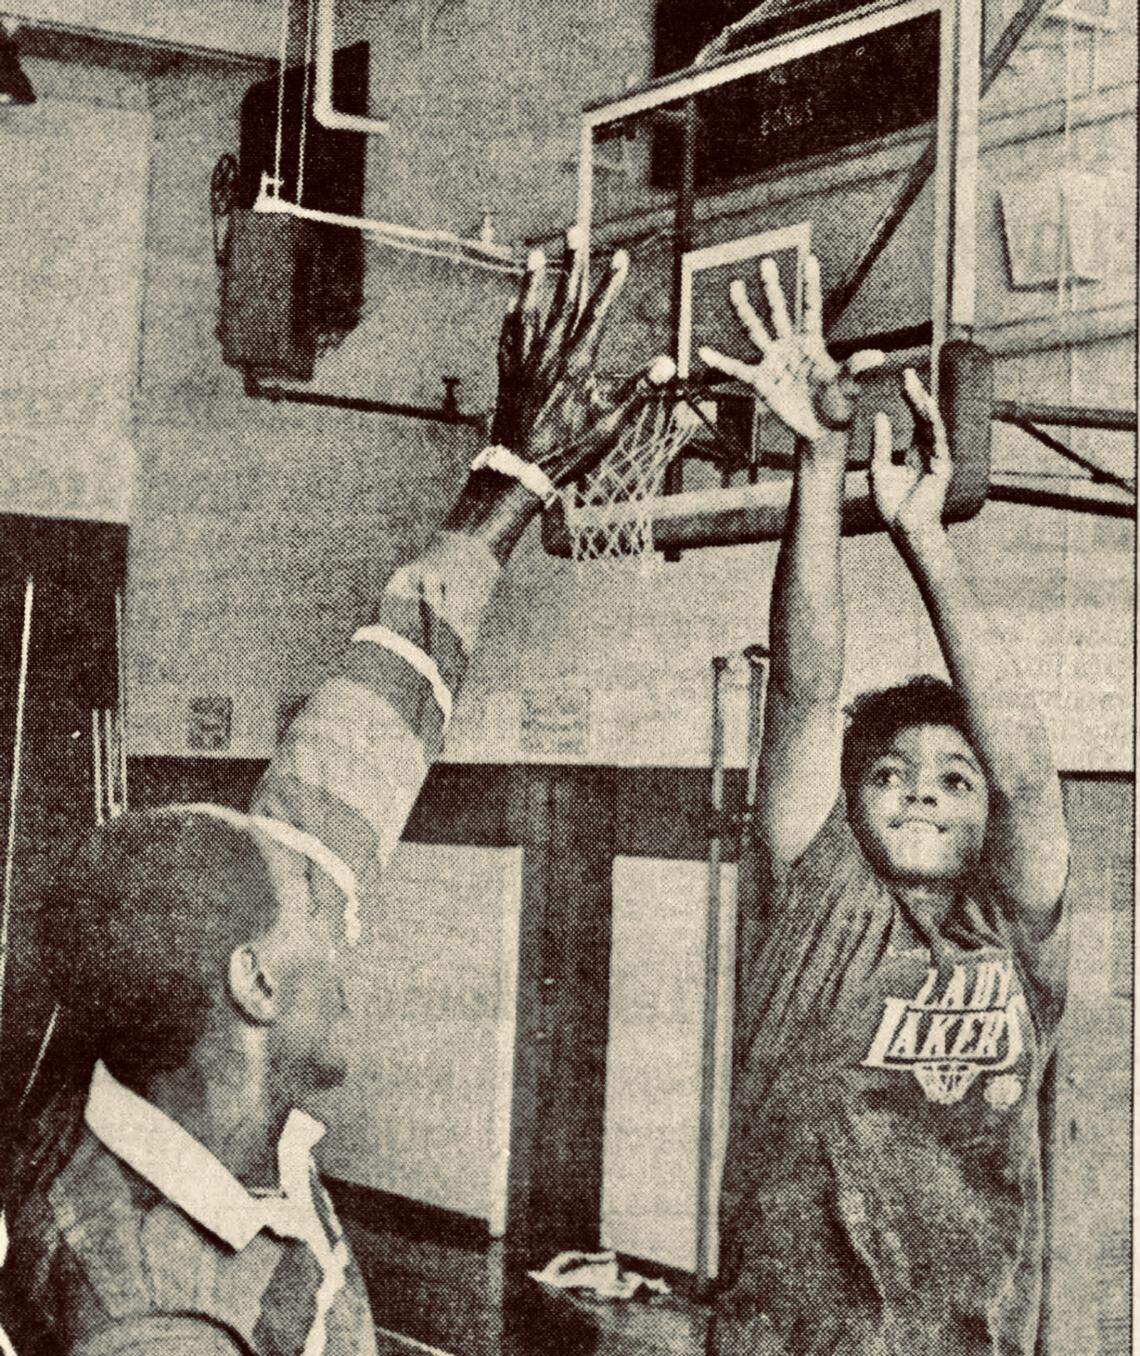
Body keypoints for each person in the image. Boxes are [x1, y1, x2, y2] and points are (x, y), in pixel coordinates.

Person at [0, 238, 670, 1356]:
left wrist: (511, 483)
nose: (345, 915)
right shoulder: (160, 1317)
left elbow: (357, 744)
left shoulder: (189, 1110)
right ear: (253, 984)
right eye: (316, 907)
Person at [699, 256, 1070, 1356]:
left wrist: (926, 536)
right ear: (850, 804)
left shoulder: (1017, 929)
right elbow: (810, 700)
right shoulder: (822, 892)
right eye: (890, 773)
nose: (919, 789)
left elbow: (1030, 781)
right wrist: (819, 463)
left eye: (953, 779)